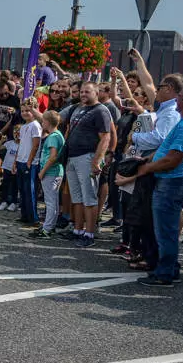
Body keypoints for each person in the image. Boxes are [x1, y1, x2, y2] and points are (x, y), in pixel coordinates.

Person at [117, 87, 183, 287]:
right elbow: (166, 151)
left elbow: (173, 159)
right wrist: (147, 159)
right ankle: (169, 268)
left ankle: (165, 274)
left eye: (180, 97)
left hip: (172, 182)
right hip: (171, 181)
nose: (176, 100)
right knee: (165, 230)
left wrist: (146, 168)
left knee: (165, 231)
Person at [62, 82, 112, 248]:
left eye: (87, 91)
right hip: (73, 157)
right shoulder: (78, 108)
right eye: (82, 91)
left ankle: (89, 233)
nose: (83, 94)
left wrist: (97, 160)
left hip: (87, 157)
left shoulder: (101, 111)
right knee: (77, 197)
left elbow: (105, 137)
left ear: (96, 92)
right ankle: (77, 230)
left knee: (89, 197)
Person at [31, 110, 65, 239]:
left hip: (51, 172)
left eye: (43, 121)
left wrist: (42, 172)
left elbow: (53, 157)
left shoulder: (53, 137)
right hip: (54, 172)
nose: (42, 123)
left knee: (50, 202)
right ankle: (49, 225)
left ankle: (47, 229)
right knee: (53, 201)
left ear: (48, 123)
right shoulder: (56, 134)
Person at [15, 106, 42, 225]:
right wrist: (15, 161)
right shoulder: (23, 126)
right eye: (23, 111)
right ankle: (24, 215)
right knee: (22, 189)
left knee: (30, 190)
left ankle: (33, 218)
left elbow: (35, 145)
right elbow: (20, 145)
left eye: (28, 111)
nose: (25, 113)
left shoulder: (35, 125)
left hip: (30, 162)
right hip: (21, 160)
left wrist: (30, 160)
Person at [0, 127, 19, 212]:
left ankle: (13, 202)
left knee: (14, 186)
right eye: (15, 133)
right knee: (5, 184)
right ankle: (4, 201)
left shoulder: (22, 145)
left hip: (15, 169)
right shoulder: (9, 143)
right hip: (6, 167)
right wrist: (2, 141)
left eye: (18, 133)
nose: (16, 135)